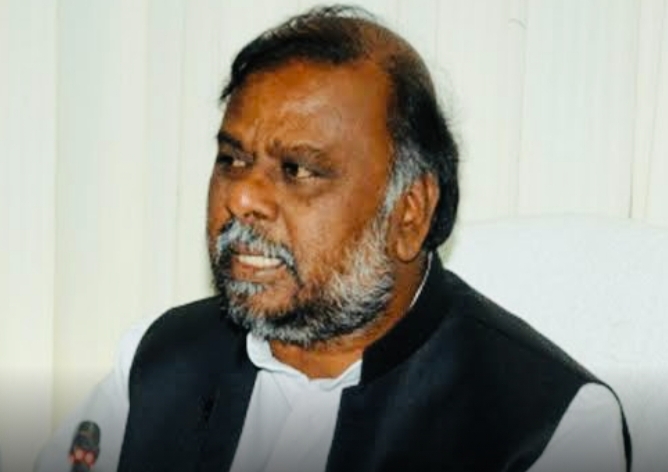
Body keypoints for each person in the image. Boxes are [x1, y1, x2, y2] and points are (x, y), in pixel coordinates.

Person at [36, 5, 631, 472]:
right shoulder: (159, 363)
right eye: (232, 160)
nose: (242, 198)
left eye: (297, 169)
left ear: (409, 214)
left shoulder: (548, 426)